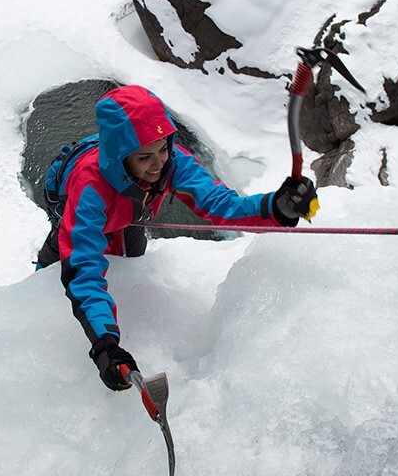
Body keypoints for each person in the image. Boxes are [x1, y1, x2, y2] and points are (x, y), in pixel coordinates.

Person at [35, 85, 317, 391]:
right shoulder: (89, 189)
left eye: (163, 149)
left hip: (128, 214)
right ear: (120, 157)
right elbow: (84, 270)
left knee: (131, 262)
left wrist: (275, 207)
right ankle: (35, 277)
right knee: (55, 266)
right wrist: (105, 344)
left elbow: (219, 203)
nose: (158, 164)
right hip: (84, 212)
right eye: (145, 157)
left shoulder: (171, 163)